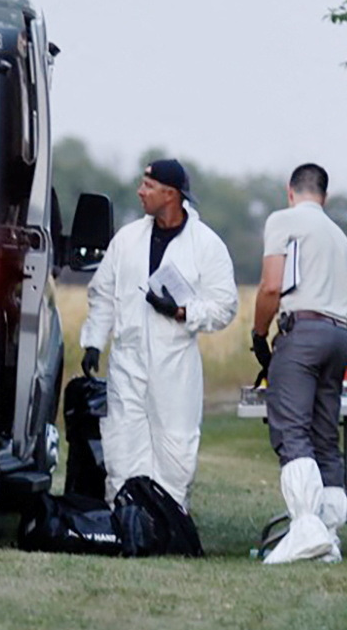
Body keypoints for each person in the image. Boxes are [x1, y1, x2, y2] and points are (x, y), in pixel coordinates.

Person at [78, 159, 238, 509]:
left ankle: (169, 520)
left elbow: (225, 306)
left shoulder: (206, 245)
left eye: (147, 186)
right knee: (122, 442)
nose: (140, 192)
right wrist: (93, 341)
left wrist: (182, 312)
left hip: (175, 364)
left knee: (175, 446)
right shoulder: (127, 239)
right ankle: (124, 519)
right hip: (128, 360)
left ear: (171, 194)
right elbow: (103, 293)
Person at [251, 162, 347, 564]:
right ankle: (329, 537)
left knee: (292, 432)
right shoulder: (342, 239)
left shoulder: (284, 220)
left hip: (304, 333)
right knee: (324, 436)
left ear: (290, 191)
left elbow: (272, 285)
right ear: (325, 196)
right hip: (340, 336)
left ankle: (305, 530)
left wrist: (258, 333)